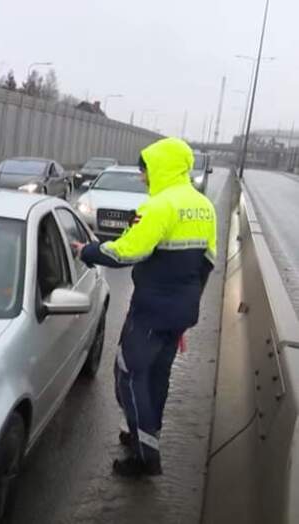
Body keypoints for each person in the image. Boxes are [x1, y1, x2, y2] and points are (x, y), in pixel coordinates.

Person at [71, 137, 217, 478]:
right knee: (157, 376)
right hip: (180, 310)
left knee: (129, 373)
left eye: (144, 170)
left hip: (151, 310)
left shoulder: (159, 206)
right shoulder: (203, 206)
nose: (141, 177)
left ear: (160, 168)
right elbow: (208, 262)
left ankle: (145, 456)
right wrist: (186, 309)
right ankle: (145, 434)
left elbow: (126, 252)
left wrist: (85, 252)